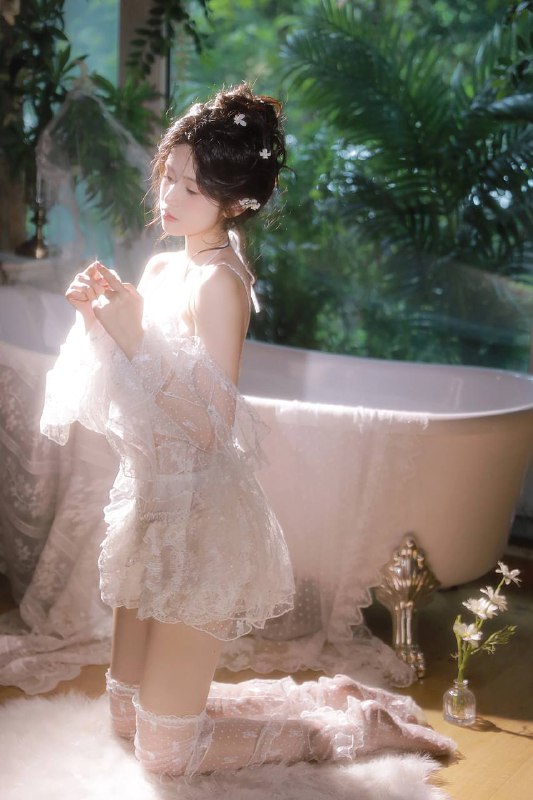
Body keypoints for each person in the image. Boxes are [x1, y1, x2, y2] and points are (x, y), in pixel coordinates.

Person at [40, 83, 454, 778]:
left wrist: (134, 333)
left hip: (202, 521)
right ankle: (305, 699)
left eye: (192, 188)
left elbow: (211, 428)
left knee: (164, 754)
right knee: (123, 715)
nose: (168, 197)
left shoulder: (220, 285)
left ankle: (354, 725)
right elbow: (126, 394)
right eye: (168, 177)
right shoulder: (165, 265)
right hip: (150, 505)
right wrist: (100, 320)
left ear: (235, 203)